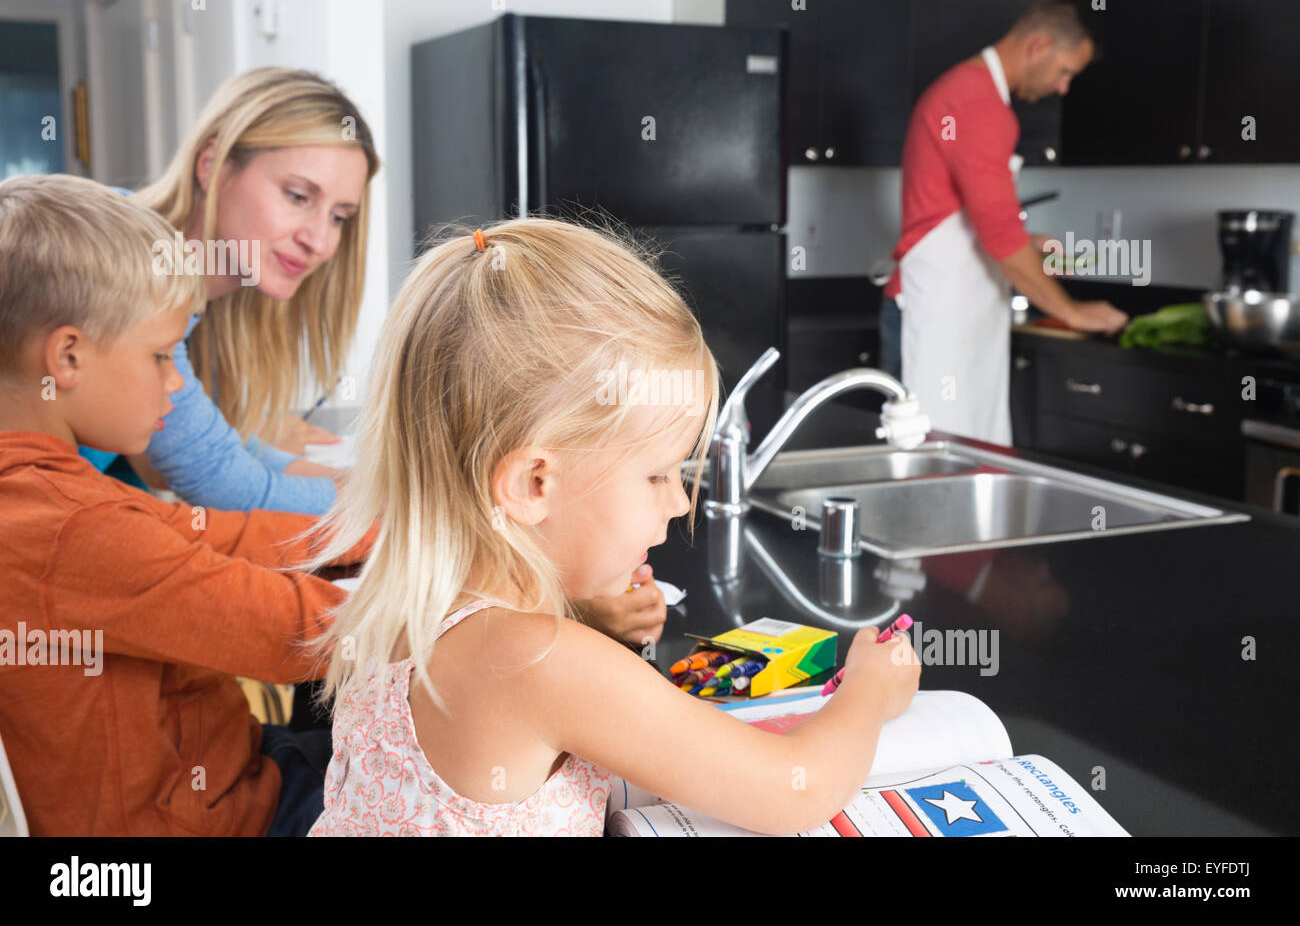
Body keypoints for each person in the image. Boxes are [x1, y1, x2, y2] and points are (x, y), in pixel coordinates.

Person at [306, 218, 921, 836]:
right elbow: (796, 789)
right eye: (657, 475)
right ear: (532, 486)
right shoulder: (541, 659)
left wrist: (587, 619)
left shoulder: (401, 614)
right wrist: (868, 692)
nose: (680, 504)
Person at [0, 174, 375, 835]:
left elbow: (222, 538)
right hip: (219, 822)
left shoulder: (44, 491)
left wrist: (374, 534)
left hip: (237, 773)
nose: (176, 384)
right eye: (159, 356)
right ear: (67, 357)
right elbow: (289, 634)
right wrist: (464, 581)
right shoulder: (69, 526)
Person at [96, 67, 381, 513]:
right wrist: (408, 497)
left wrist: (386, 484)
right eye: (298, 196)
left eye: (339, 217)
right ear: (212, 165)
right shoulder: (121, 260)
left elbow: (220, 451)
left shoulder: (202, 298)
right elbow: (229, 485)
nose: (320, 242)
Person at [883, 0, 1127, 444]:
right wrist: (1071, 311)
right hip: (934, 315)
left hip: (952, 314)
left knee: (957, 464)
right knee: (930, 466)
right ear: (1039, 46)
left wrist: (1025, 241)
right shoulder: (978, 103)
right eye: (1065, 71)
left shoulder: (968, 93)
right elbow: (998, 236)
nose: (1063, 87)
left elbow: (975, 221)